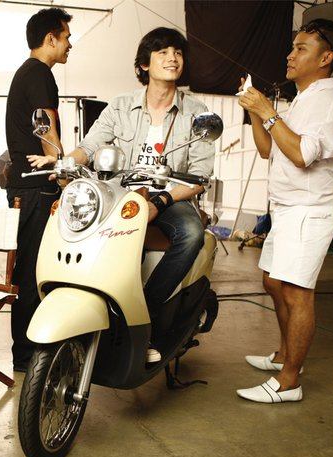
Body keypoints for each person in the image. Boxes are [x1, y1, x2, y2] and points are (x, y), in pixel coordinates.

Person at [29, 27, 214, 361]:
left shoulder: (196, 113)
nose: (172, 58)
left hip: (172, 195)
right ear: (144, 64)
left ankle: (149, 316)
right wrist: (64, 162)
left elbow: (200, 176)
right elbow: (90, 145)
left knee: (190, 233)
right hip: (124, 192)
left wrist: (161, 201)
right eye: (162, 52)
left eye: (177, 52)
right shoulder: (121, 106)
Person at [236, 19, 333, 403]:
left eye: (301, 48)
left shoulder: (330, 100)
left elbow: (303, 154)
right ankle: (286, 356)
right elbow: (269, 149)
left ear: (326, 57)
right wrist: (255, 111)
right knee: (273, 283)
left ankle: (289, 383)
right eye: (292, 47)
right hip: (286, 210)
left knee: (297, 293)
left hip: (308, 211)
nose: (290, 55)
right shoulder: (304, 97)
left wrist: (268, 110)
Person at [5, 7, 72, 372]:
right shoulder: (40, 74)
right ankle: (27, 355)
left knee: (31, 269)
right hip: (36, 188)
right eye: (66, 37)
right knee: (34, 270)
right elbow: (45, 129)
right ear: (50, 38)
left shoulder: (26, 73)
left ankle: (27, 351)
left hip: (26, 187)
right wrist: (63, 168)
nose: (69, 45)